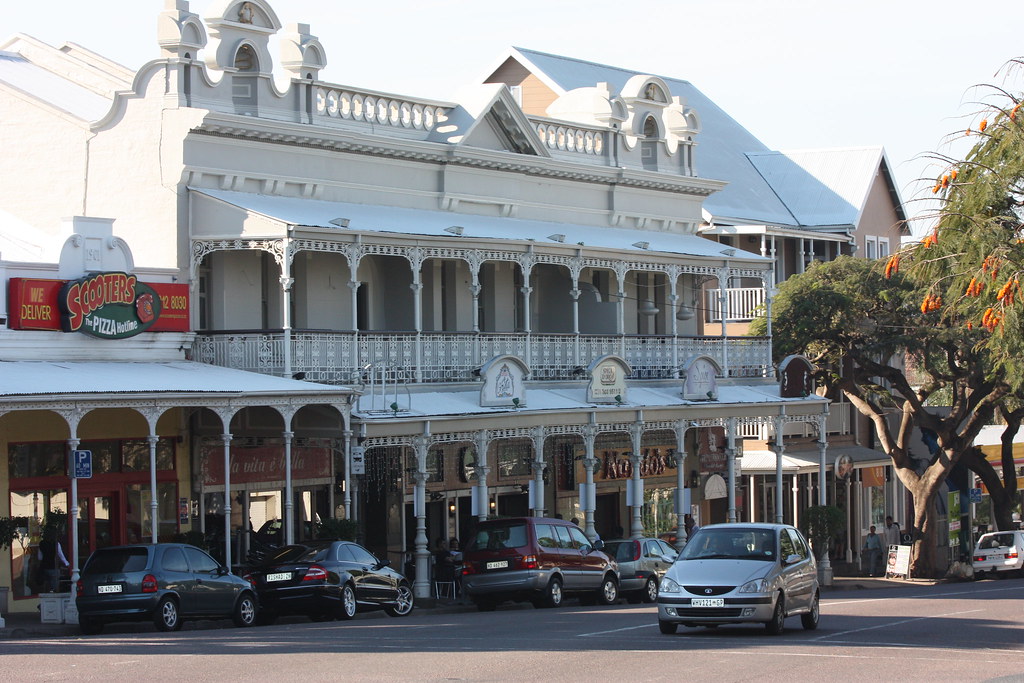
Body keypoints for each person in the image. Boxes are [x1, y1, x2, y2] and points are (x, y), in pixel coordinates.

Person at [37, 527, 70, 593]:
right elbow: (61, 555)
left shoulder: (41, 543)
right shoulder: (56, 544)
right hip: (53, 567)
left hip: (44, 567)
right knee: (54, 588)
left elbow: (40, 557)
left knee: (46, 586)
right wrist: (67, 563)